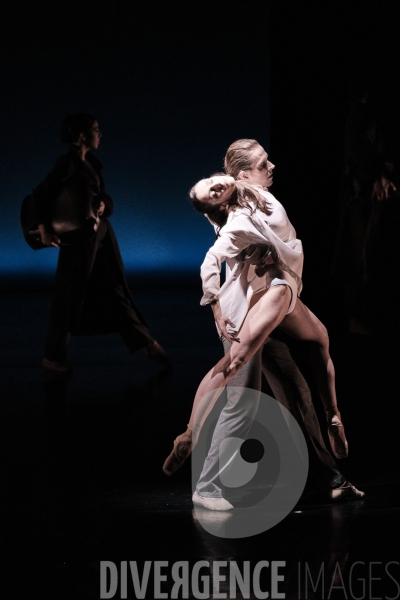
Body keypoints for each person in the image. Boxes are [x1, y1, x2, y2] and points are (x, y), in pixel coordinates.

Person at [163, 142, 364, 504]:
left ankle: (330, 479)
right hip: (245, 315)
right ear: (243, 174)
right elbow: (211, 259)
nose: (271, 165)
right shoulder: (236, 217)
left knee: (296, 390)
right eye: (261, 163)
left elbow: (222, 182)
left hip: (275, 300)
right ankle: (206, 482)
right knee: (242, 399)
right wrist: (215, 309)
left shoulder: (247, 192)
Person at [32, 113, 170, 373]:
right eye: (95, 130)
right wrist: (44, 230)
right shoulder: (67, 163)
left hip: (100, 235)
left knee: (115, 288)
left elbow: (99, 197)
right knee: (70, 294)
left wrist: (104, 204)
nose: (100, 134)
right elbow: (42, 194)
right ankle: (52, 357)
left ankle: (147, 343)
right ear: (82, 135)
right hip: (81, 240)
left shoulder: (91, 164)